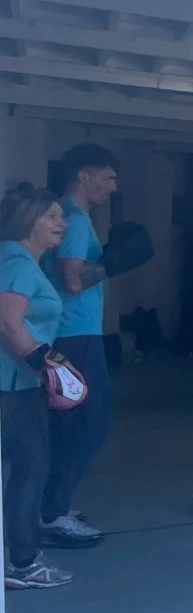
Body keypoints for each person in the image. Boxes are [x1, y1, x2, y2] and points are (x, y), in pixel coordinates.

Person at [39, 143, 120, 550]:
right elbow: (73, 281)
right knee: (86, 424)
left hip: (75, 333)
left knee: (78, 424)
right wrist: (111, 264)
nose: (113, 187)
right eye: (108, 178)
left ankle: (53, 506)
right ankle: (52, 515)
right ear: (84, 175)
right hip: (75, 336)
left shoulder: (74, 216)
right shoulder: (72, 217)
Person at [0, 185, 77, 589]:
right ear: (28, 220)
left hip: (19, 381)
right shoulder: (17, 261)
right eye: (52, 215)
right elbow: (8, 324)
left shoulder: (23, 261)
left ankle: (22, 557)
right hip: (13, 385)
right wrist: (47, 368)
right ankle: (23, 565)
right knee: (30, 469)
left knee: (28, 468)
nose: (61, 223)